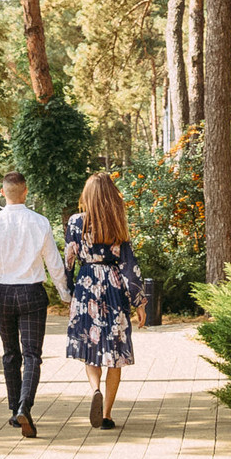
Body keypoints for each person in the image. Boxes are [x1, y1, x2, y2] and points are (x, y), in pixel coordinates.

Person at [0, 166, 67, 437]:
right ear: (25, 192)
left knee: (10, 354)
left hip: (2, 295)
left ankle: (15, 411)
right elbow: (54, 263)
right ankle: (25, 405)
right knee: (32, 355)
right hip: (32, 294)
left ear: (3, 193)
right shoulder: (40, 222)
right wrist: (66, 295)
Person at [62, 171, 144, 430]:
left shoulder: (75, 222)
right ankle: (106, 414)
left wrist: (68, 292)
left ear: (87, 195)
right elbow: (129, 266)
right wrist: (140, 302)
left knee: (91, 346)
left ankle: (95, 389)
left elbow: (69, 261)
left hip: (86, 287)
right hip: (113, 287)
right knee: (115, 352)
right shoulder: (117, 222)